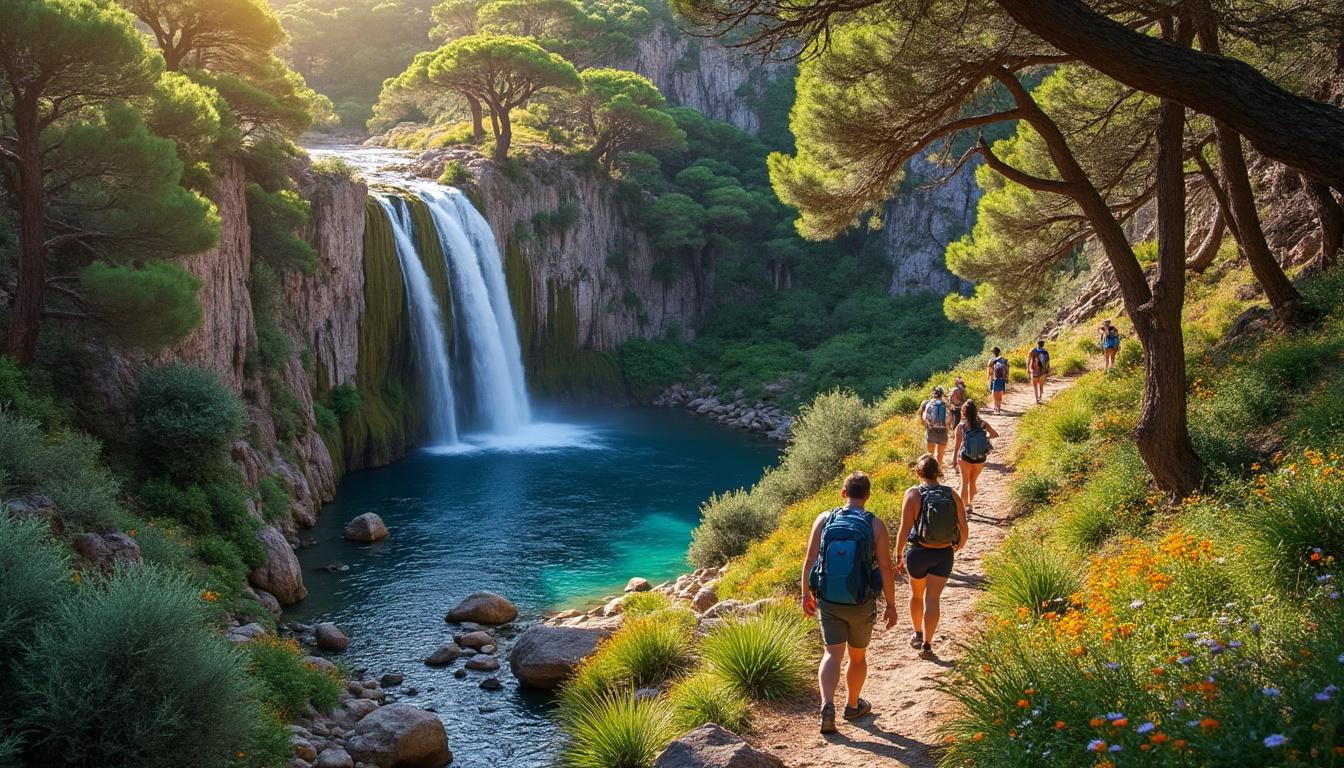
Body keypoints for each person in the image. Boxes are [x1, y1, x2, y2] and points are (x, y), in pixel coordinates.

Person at [802, 471, 898, 734]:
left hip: (828, 599)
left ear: (843, 493)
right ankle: (853, 706)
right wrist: (891, 603)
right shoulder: (875, 524)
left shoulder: (824, 519)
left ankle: (826, 706)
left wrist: (805, 594)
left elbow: (810, 560)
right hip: (860, 602)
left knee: (832, 653)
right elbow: (886, 568)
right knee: (857, 657)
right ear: (867, 496)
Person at [894, 454, 966, 659]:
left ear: (919, 472)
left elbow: (904, 528)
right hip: (943, 553)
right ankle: (927, 643)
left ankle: (917, 632)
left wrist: (898, 553)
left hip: (918, 552)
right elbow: (964, 526)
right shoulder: (951, 494)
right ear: (938, 473)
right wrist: (959, 545)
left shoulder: (913, 494)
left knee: (917, 595)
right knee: (933, 598)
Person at [951, 400, 998, 515]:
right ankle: (970, 503)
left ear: (963, 412)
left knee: (964, 482)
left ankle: (965, 506)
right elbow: (995, 434)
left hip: (965, 457)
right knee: (972, 482)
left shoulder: (961, 427)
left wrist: (954, 461)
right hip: (980, 458)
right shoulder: (983, 424)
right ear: (976, 411)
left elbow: (957, 446)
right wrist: (985, 439)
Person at [918, 386, 952, 464]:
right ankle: (939, 471)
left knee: (930, 455)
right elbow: (949, 420)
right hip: (943, 432)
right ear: (942, 395)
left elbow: (923, 418)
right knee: (940, 455)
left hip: (931, 432)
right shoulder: (945, 405)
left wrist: (926, 426)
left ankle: (930, 472)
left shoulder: (928, 404)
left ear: (933, 394)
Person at [987, 347, 1010, 414]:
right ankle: (998, 408)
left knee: (994, 395)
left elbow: (990, 371)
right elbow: (1007, 370)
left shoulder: (992, 360)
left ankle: (996, 408)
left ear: (994, 352)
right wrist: (1007, 378)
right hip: (1001, 379)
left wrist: (989, 378)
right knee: (998, 395)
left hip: (994, 379)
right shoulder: (1004, 360)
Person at [1027, 339, 1050, 404]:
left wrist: (1028, 370)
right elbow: (1048, 363)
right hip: (1043, 372)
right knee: (1041, 385)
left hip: (1034, 371)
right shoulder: (1046, 352)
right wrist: (1047, 371)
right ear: (1043, 344)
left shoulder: (1033, 351)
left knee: (1035, 386)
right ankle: (1040, 397)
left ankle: (1036, 399)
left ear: (1037, 344)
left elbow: (1028, 361)